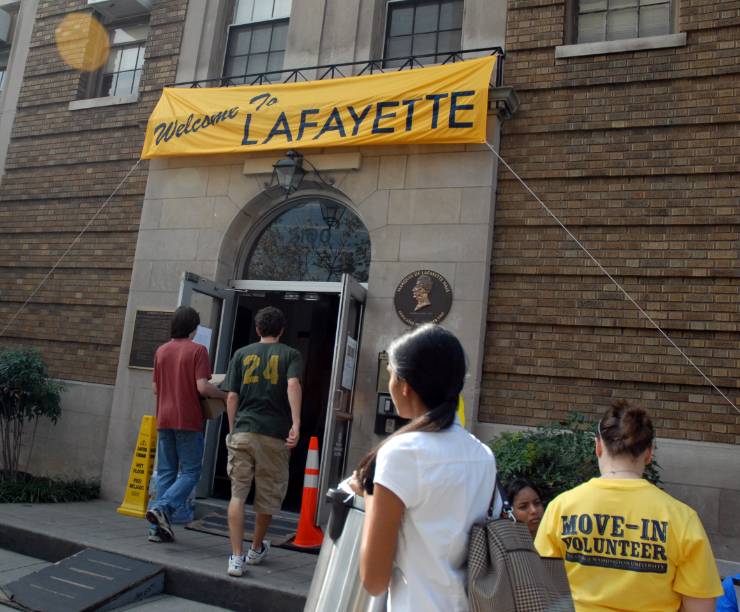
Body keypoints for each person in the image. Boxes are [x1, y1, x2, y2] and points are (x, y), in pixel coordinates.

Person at [350, 324, 496, 611]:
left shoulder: (402, 454)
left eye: (390, 374)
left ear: (404, 385)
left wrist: (367, 494)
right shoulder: (483, 454)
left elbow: (374, 580)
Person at [534, 400, 723, 612]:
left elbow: (539, 593)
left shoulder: (561, 508)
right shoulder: (681, 518)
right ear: (650, 453)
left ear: (598, 447)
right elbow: (701, 608)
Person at [223, 306, 302, 577]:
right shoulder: (290, 354)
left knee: (238, 494)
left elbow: (231, 397)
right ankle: (256, 548)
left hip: (243, 430)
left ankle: (236, 557)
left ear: (257, 329)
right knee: (267, 496)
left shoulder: (241, 354)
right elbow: (293, 385)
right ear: (281, 330)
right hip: (274, 434)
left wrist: (233, 430)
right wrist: (296, 423)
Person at [147, 306, 226, 543]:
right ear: (193, 327)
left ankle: (157, 530)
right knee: (191, 471)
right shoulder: (198, 350)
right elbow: (203, 387)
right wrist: (224, 394)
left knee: (166, 472)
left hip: (164, 417)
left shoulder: (161, 350)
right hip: (187, 418)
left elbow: (155, 388)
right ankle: (163, 508)